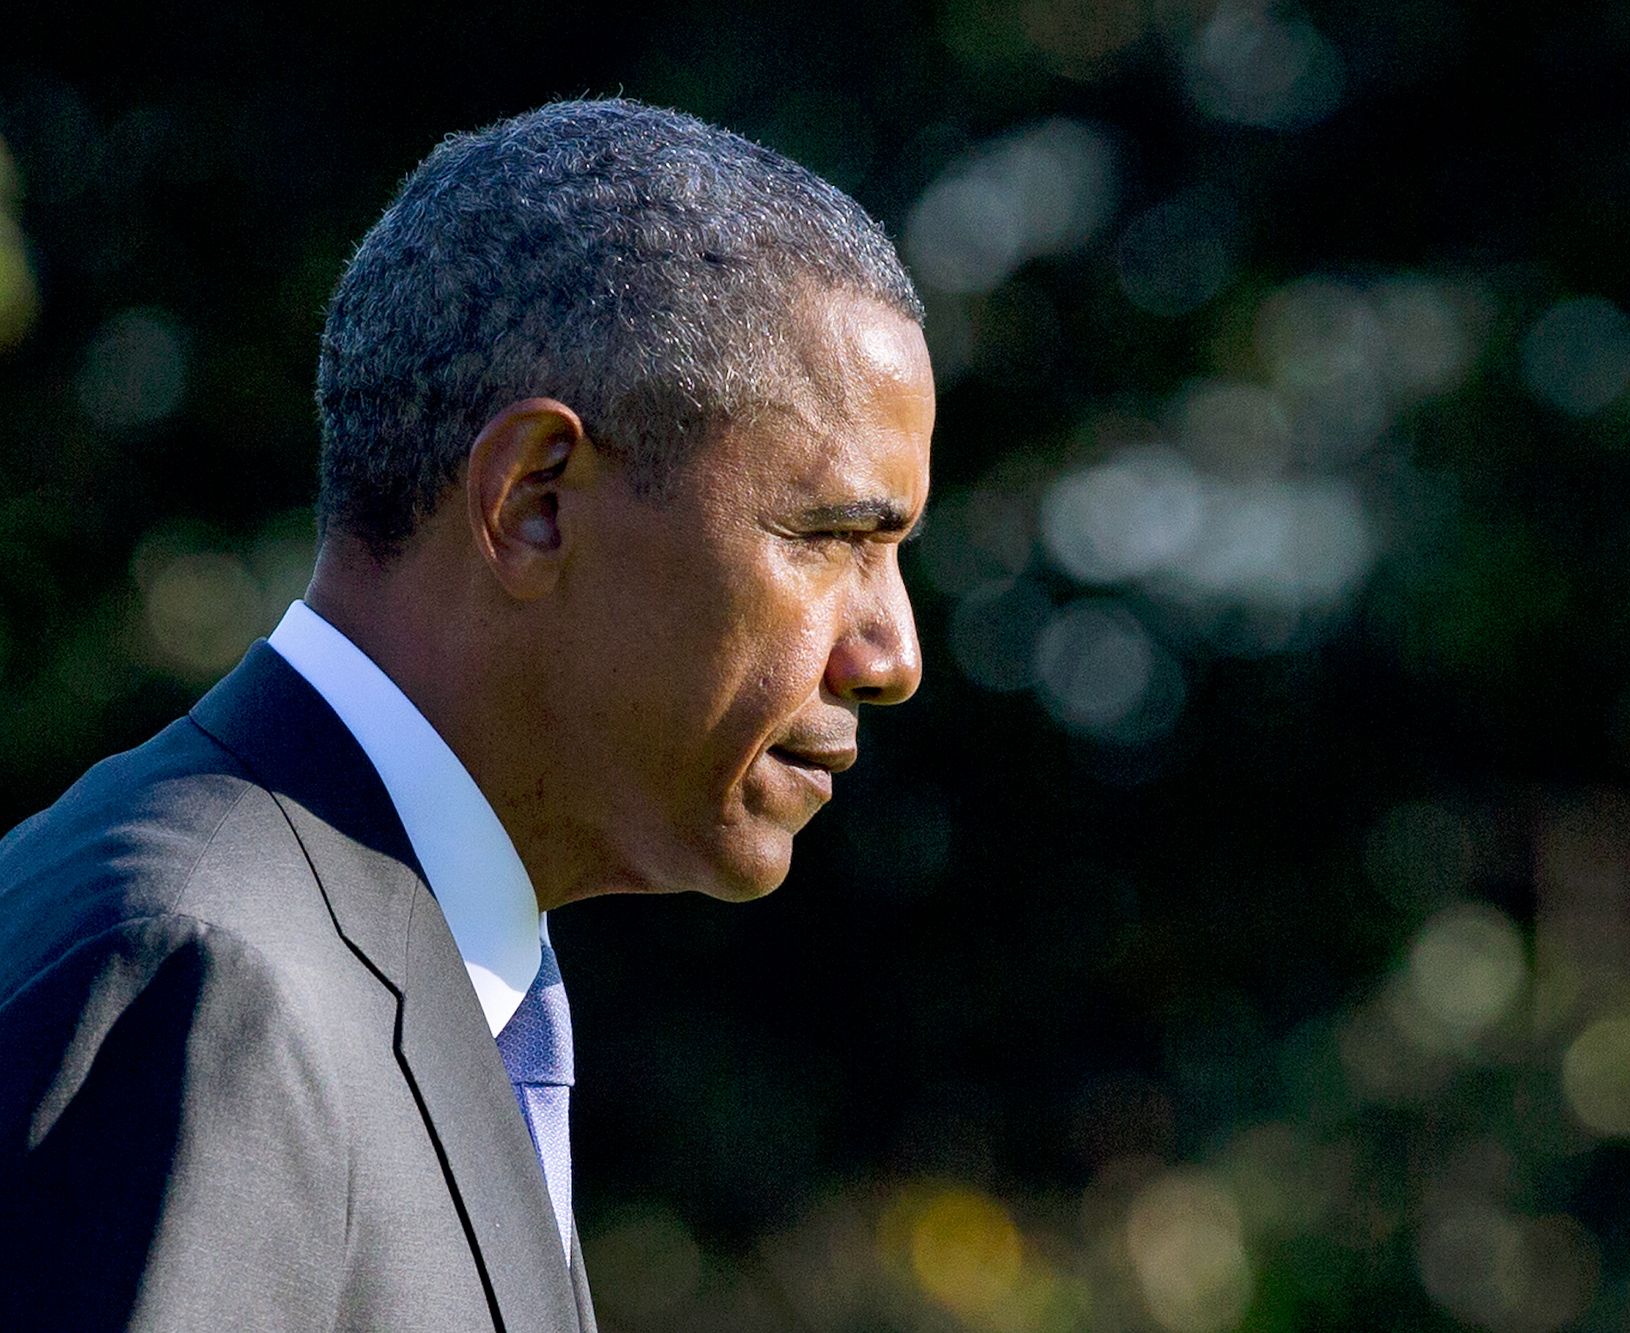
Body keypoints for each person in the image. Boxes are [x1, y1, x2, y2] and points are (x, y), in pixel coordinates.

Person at [0, 97, 933, 1331]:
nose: (892, 654)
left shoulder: (361, 950)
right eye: (829, 538)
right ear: (534, 500)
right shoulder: (210, 973)